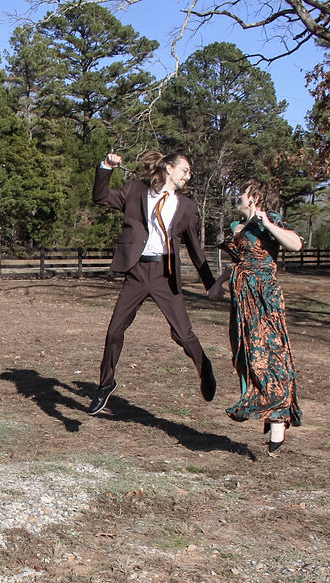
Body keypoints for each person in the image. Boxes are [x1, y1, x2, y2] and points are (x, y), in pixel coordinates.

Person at [88, 151, 218, 416]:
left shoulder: (187, 208)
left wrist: (210, 284)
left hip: (164, 273)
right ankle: (105, 384)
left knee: (182, 334)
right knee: (114, 331)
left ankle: (204, 367)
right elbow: (100, 197)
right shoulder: (136, 191)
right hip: (137, 270)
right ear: (169, 168)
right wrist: (106, 167)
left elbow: (196, 250)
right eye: (185, 170)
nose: (188, 176)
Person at [208, 180, 302, 455]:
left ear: (255, 198)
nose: (238, 196)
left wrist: (269, 224)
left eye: (242, 192)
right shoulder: (238, 228)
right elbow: (238, 262)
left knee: (269, 356)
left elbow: (295, 244)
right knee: (245, 354)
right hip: (242, 298)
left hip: (264, 296)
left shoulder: (269, 220)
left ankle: (277, 423)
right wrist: (218, 282)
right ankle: (271, 414)